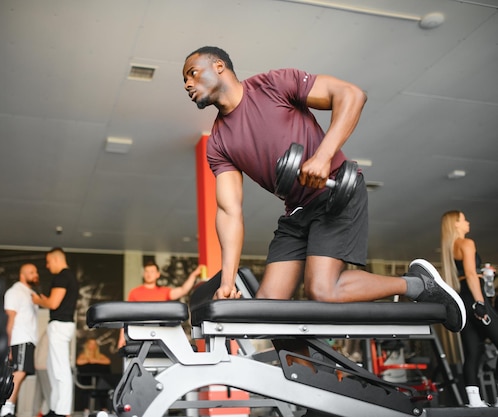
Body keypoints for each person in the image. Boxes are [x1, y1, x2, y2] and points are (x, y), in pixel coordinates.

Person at [181, 46, 465, 333]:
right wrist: (227, 282)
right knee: (266, 308)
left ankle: (417, 284)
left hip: (335, 192)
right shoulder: (218, 143)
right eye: (185, 81)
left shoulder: (272, 85)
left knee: (323, 290)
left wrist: (322, 157)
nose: (188, 84)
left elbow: (351, 95)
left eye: (192, 74)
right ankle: (305, 373)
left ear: (219, 66)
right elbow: (229, 211)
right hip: (296, 212)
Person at [441, 210, 498, 407]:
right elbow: (472, 275)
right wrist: (481, 304)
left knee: (472, 352)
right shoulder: (467, 243)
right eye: (464, 219)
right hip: (475, 300)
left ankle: (474, 401)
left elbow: (468, 274)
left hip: (462, 301)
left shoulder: (451, 248)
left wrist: (484, 273)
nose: (468, 222)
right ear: (456, 224)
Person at [32, 248, 80, 417]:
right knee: (53, 370)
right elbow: (54, 302)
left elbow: (53, 303)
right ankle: (54, 409)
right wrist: (42, 299)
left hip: (60, 326)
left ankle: (62, 411)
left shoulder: (62, 277)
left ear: (56, 259)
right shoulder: (68, 277)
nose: (47, 265)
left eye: (48, 261)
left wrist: (37, 300)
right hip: (60, 325)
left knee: (61, 370)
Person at [118, 262, 204, 347]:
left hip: (161, 334)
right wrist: (122, 338)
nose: (149, 274)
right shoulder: (134, 292)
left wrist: (194, 275)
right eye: (147, 271)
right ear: (144, 274)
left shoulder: (164, 291)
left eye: (152, 271)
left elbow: (183, 290)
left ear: (157, 274)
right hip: (139, 334)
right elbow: (126, 316)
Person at [1, 263, 40, 417]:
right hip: (19, 339)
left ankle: (9, 407)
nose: (35, 274)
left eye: (36, 271)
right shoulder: (15, 292)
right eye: (32, 272)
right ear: (22, 274)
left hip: (28, 340)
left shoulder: (31, 293)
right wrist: (7, 344)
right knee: (19, 373)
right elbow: (9, 318)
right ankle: (6, 409)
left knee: (20, 375)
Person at [75, 338, 112, 413]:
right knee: (86, 391)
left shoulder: (100, 356)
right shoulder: (82, 355)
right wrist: (89, 360)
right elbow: (79, 362)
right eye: (91, 344)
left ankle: (104, 409)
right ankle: (86, 410)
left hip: (99, 380)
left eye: (94, 344)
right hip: (86, 380)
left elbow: (108, 361)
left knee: (103, 389)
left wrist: (94, 360)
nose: (92, 346)